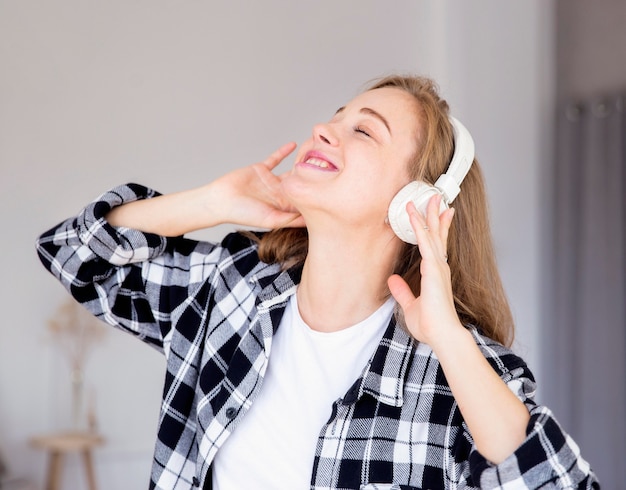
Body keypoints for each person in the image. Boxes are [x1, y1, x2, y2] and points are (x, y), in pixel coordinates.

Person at [36, 74, 598, 489]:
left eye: (364, 131)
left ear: (415, 204)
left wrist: (449, 340)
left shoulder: (457, 373)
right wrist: (211, 203)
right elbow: (73, 255)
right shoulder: (231, 289)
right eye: (336, 116)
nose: (323, 130)